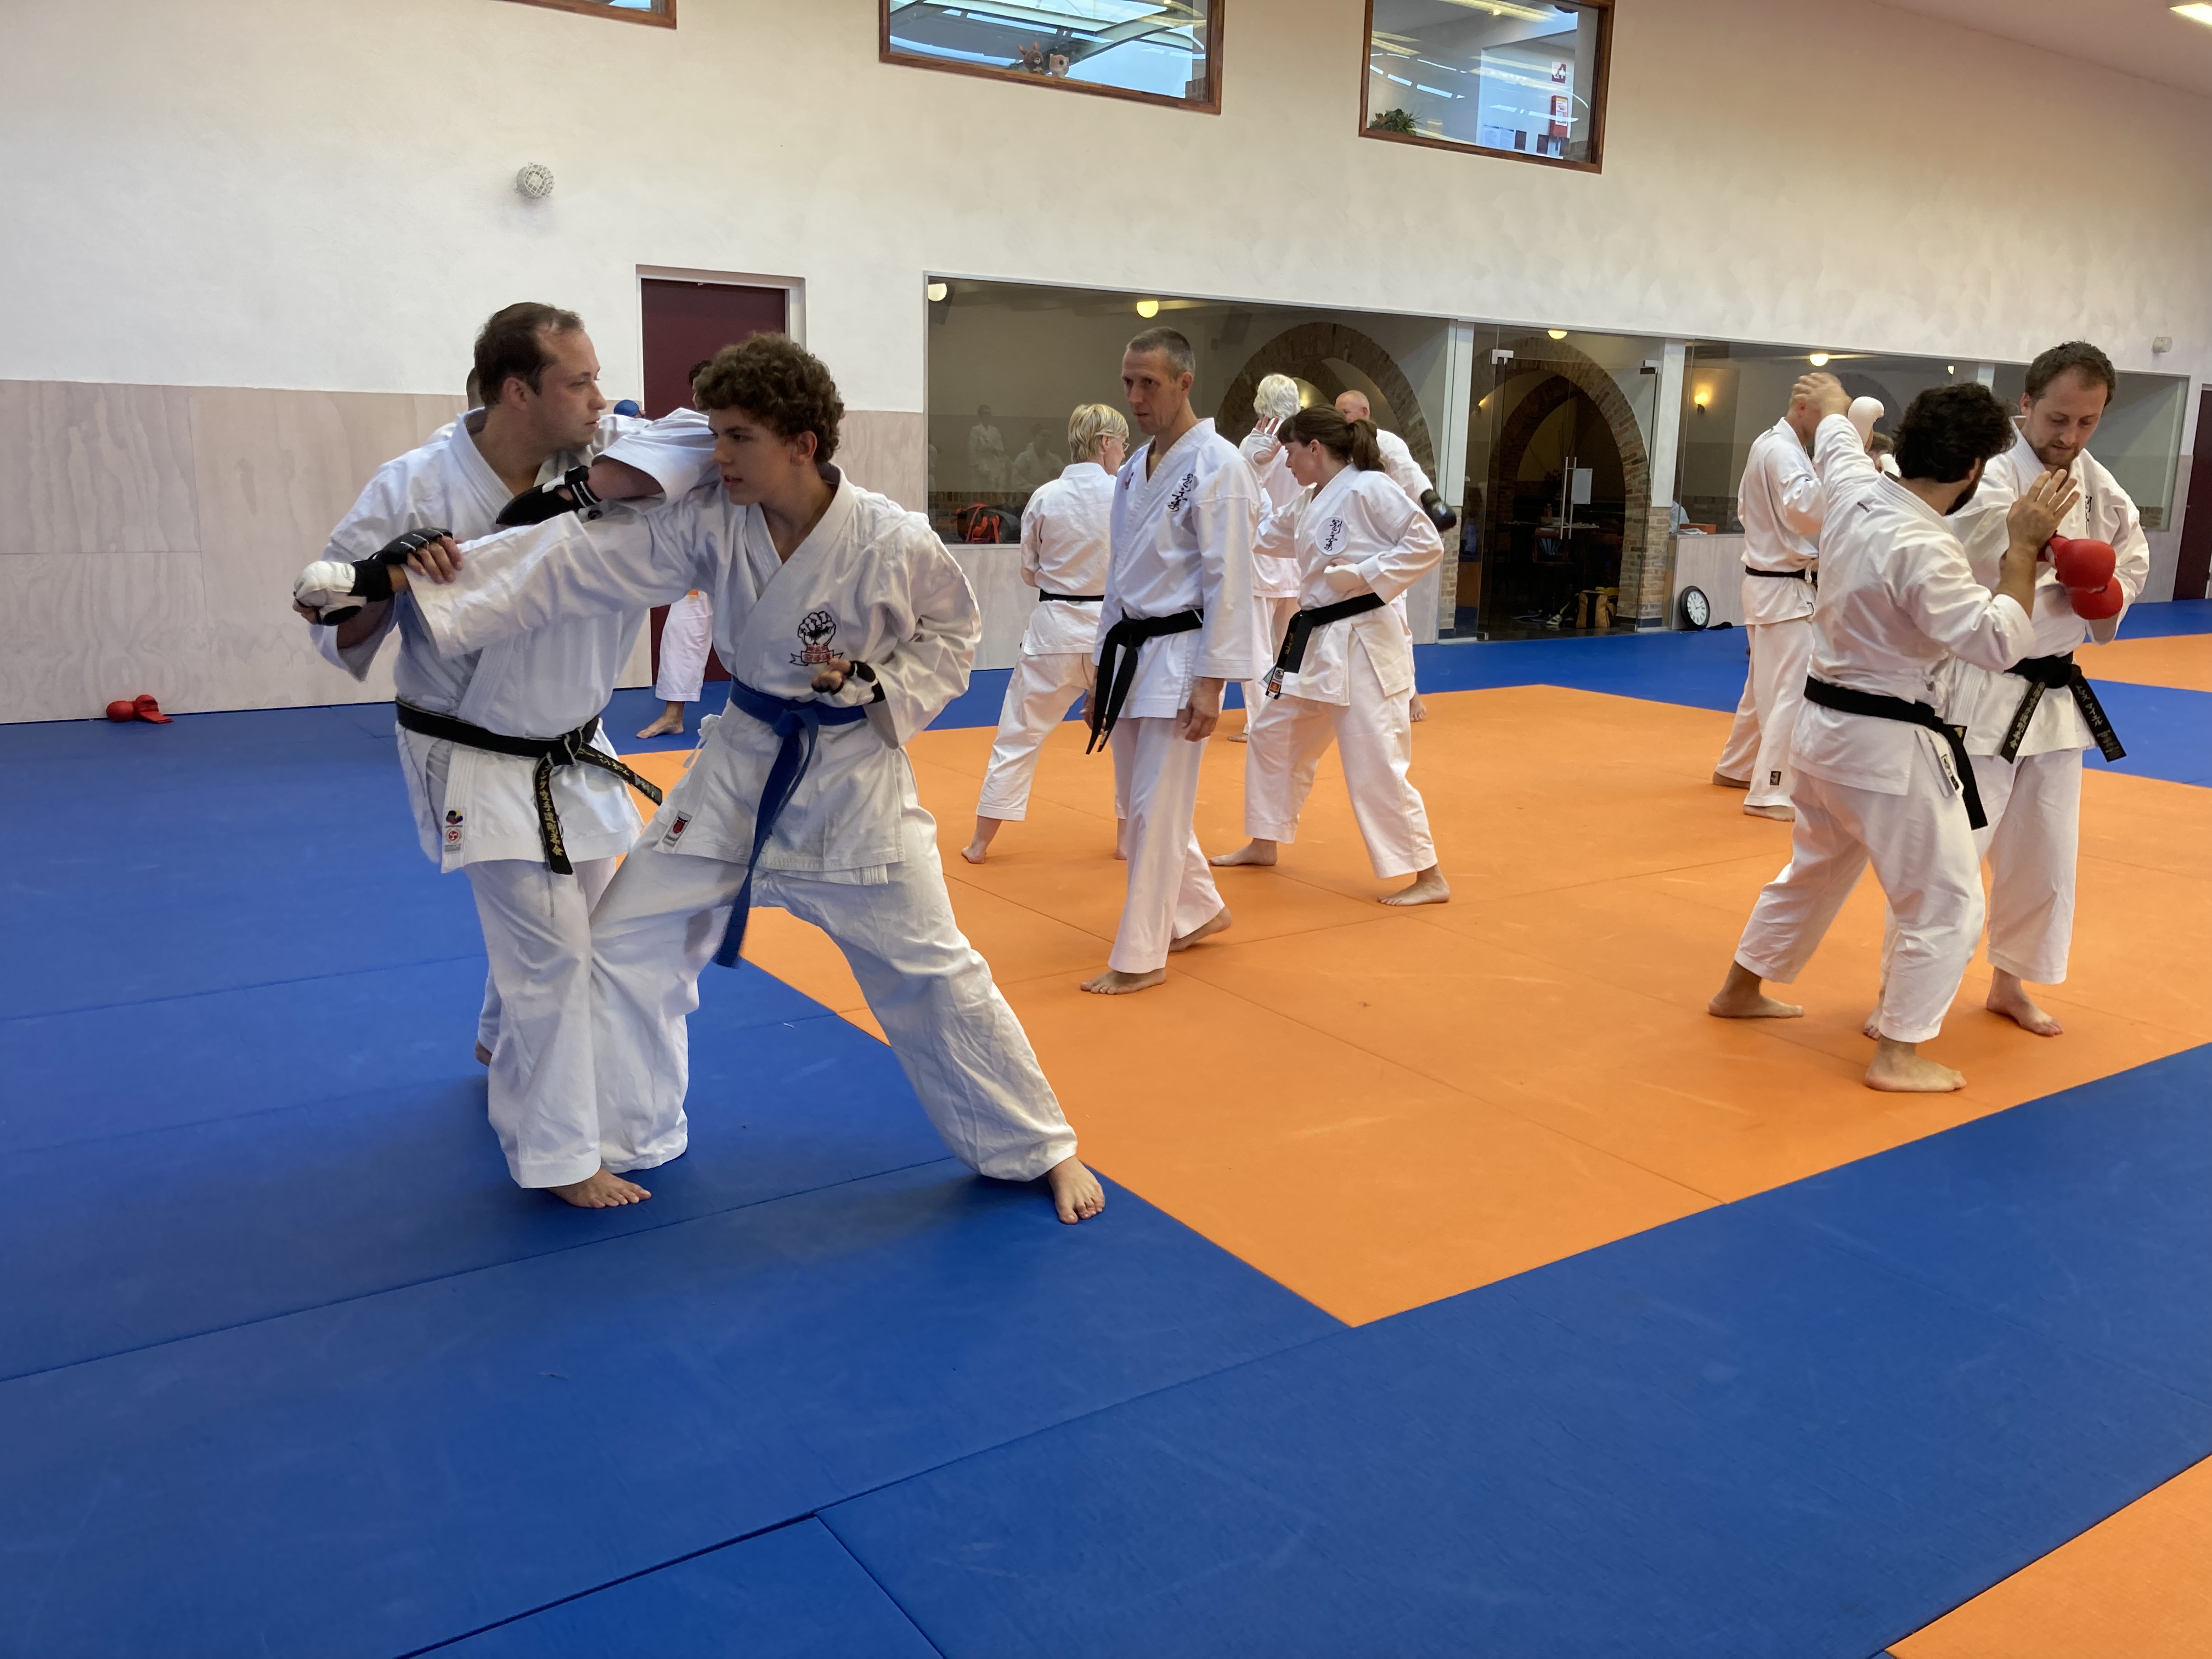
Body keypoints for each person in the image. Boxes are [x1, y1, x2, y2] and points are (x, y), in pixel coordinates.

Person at [386, 335, 1105, 1224]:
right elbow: (583, 559)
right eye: (715, 433)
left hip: (850, 782)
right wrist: (436, 580)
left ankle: (1039, 1146)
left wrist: (877, 685)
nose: (716, 455)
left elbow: (953, 637)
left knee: (932, 971)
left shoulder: (891, 539)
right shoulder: (714, 519)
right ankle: (637, 1131)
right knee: (627, 942)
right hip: (738, 768)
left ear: (802, 444)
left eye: (738, 438)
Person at [289, 302, 710, 1207]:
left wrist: (587, 486)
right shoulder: (411, 485)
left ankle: (494, 1033)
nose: (598, 397)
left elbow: (702, 437)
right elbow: (332, 620)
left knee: (603, 924)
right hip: (472, 751)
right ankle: (559, 1156)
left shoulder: (606, 455)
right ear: (518, 391)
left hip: (575, 744)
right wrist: (386, 574)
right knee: (553, 958)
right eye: (579, 381)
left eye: (597, 378)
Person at [1708, 373, 2072, 1093]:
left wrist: (1833, 403)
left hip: (1819, 733)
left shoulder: (1854, 488)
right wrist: (2023, 549)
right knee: (1947, 902)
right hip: (1885, 748)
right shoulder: (1925, 546)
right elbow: (1998, 643)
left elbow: (1837, 435)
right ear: (1974, 468)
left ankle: (1740, 990)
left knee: (1814, 871)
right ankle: (1898, 1054)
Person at [1939, 341, 2149, 1037]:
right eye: (2058, 419)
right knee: (1953, 854)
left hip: (2055, 696)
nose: (2070, 436)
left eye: (2087, 422)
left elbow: (2130, 559)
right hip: (1980, 689)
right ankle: (1908, 992)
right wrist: (2054, 558)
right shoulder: (1989, 476)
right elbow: (1961, 558)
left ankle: (2011, 983)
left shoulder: (2102, 488)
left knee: (2046, 854)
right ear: (2026, 404)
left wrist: (2105, 592)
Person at [1081, 326, 1261, 996]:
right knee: (1138, 807)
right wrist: (1099, 670)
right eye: (1128, 383)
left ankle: (1141, 956)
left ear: (1185, 383)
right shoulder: (1133, 469)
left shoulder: (1220, 465)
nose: (1135, 397)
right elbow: (1118, 578)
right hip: (1131, 653)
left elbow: (1230, 582)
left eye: (1148, 383)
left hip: (1183, 656)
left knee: (1155, 814)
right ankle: (1197, 910)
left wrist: (1212, 684)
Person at [1209, 404, 1448, 905]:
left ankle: (1429, 876)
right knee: (1272, 734)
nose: (1287, 462)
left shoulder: (1370, 487)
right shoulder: (1308, 499)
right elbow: (1257, 535)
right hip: (1312, 639)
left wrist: (1365, 572)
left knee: (1375, 759)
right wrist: (1249, 471)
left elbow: (1427, 544)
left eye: (1291, 452)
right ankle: (1265, 840)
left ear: (1315, 448)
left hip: (1362, 639)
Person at [962, 403, 1128, 864]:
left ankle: (979, 844)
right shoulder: (1127, 494)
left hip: (1055, 629)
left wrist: (1066, 581)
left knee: (1018, 735)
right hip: (1114, 634)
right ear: (1105, 443)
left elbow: (1029, 571)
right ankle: (1127, 841)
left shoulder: (1046, 496)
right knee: (1131, 742)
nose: (1124, 452)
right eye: (1121, 443)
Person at [1711, 390, 1827, 818]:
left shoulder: (1777, 445)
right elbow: (1805, 512)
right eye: (1828, 412)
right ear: (1802, 407)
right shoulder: (1781, 451)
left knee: (1763, 685)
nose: (1831, 422)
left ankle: (1738, 766)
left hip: (1774, 585)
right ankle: (1773, 790)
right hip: (1783, 589)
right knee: (1792, 690)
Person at [1334, 390, 1448, 721]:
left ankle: (1411, 693)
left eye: (1345, 412)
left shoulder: (1388, 443)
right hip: (1348, 549)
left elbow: (1412, 476)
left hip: (1386, 550)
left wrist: (1432, 502)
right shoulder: (1338, 448)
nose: (1341, 418)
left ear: (1364, 411)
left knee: (1397, 624)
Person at [1232, 374, 1308, 741]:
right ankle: (1286, 712)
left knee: (1257, 645)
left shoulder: (1252, 443)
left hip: (1262, 555)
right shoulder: (1304, 443)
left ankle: (1259, 720)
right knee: (1288, 643)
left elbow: (1240, 496)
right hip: (1295, 554)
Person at [637, 588, 714, 738]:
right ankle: (673, 716)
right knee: (681, 631)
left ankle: (755, 715)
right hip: (698, 576)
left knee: (752, 629)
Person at [968, 404, 1007, 491]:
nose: (987, 416)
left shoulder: (995, 431)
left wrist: (995, 452)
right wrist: (976, 465)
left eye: (989, 414)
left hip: (993, 463)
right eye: (985, 414)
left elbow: (1001, 449)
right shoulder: (975, 430)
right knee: (979, 489)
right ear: (980, 416)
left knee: (992, 489)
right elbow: (972, 450)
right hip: (980, 463)